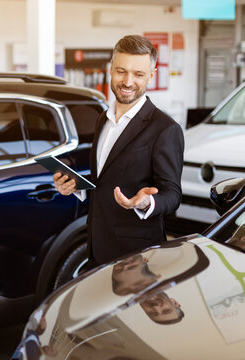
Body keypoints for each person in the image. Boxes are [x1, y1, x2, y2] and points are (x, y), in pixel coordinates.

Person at [54, 35, 184, 266]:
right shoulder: (102, 120)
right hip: (97, 245)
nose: (128, 81)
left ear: (151, 76)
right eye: (121, 71)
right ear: (111, 70)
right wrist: (77, 186)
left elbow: (172, 194)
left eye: (139, 74)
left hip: (137, 255)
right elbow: (106, 178)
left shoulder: (165, 129)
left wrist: (145, 203)